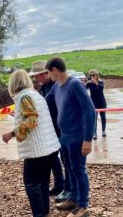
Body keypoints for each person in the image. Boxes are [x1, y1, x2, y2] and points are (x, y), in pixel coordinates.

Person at [2, 69, 61, 217]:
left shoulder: (24, 98)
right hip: (49, 148)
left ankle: (39, 213)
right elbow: (36, 118)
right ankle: (44, 211)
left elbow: (31, 121)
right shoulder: (36, 95)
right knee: (43, 182)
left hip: (37, 150)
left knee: (31, 183)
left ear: (14, 84)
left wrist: (12, 134)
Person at [45, 58, 96, 217]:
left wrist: (87, 139)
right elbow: (45, 102)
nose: (47, 75)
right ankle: (73, 198)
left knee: (79, 170)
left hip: (77, 137)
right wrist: (25, 110)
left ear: (54, 70)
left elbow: (90, 111)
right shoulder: (56, 87)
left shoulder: (75, 85)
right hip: (65, 137)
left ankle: (83, 206)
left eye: (48, 72)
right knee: (69, 168)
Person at [29, 60, 69, 199]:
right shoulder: (43, 87)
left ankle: (69, 189)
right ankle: (60, 184)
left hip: (60, 129)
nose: (35, 79)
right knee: (53, 158)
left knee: (65, 159)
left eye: (37, 76)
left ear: (46, 73)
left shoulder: (56, 86)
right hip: (50, 128)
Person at [84, 69, 107, 139]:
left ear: (97, 75)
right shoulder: (90, 83)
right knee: (94, 118)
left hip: (101, 102)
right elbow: (83, 89)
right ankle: (95, 133)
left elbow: (101, 89)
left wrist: (96, 83)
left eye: (93, 75)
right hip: (93, 103)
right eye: (90, 75)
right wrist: (84, 83)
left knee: (103, 116)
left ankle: (103, 131)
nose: (92, 77)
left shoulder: (100, 82)